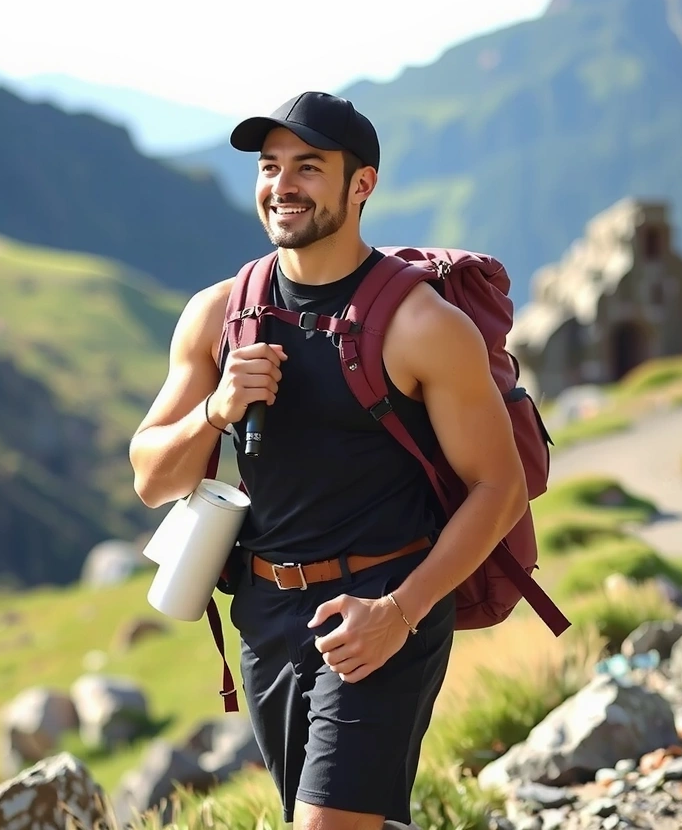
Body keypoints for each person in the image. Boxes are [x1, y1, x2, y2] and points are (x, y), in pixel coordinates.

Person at [129, 91, 528, 830]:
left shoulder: (421, 324)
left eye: (308, 167)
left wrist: (399, 612)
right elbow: (151, 478)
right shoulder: (218, 313)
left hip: (382, 603)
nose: (282, 185)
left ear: (361, 184)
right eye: (270, 166)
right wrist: (215, 411)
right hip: (266, 615)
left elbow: (498, 488)